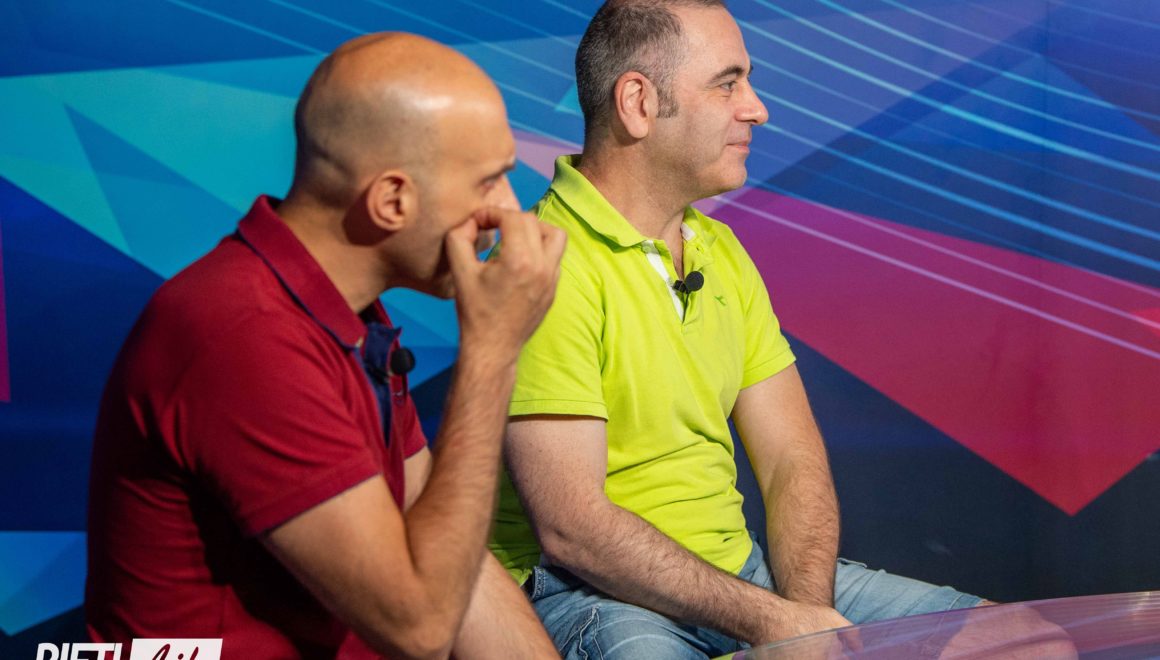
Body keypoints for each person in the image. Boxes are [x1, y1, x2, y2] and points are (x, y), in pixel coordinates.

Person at [490, 2, 990, 657]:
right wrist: (770, 623)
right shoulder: (543, 262)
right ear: (638, 103)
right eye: (728, 84)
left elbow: (791, 462)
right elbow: (572, 530)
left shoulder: (721, 249)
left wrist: (804, 617)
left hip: (738, 579)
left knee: (1026, 642)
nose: (757, 109)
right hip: (588, 593)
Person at [86, 33, 564, 659]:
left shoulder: (342, 309)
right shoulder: (244, 335)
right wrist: (493, 349)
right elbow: (419, 627)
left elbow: (454, 556)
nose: (511, 209)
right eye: (489, 181)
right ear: (391, 200)